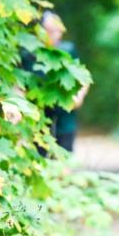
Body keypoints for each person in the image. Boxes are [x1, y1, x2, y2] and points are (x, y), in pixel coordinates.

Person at [41, 11, 88, 152]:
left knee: (65, 159)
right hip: (40, 120)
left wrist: (78, 97)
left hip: (65, 118)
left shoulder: (68, 50)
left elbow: (83, 78)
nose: (54, 35)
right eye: (49, 31)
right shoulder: (32, 52)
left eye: (57, 30)